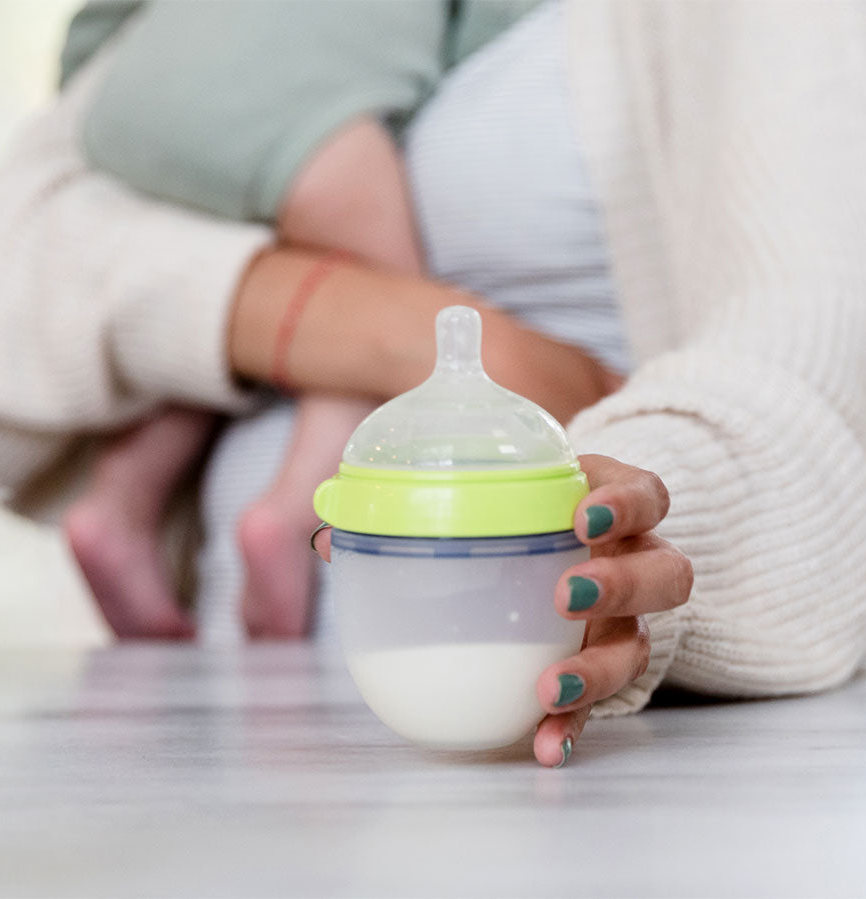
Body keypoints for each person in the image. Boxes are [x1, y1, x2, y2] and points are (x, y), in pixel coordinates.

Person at [0, 1, 866, 767]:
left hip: (584, 766)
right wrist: (411, 334)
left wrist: (624, 518)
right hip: (243, 743)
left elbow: (832, 386)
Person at [60, 2, 615, 644]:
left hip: (141, 76)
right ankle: (296, 511)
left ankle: (120, 503)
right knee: (376, 293)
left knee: (227, 278)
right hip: (282, 92)